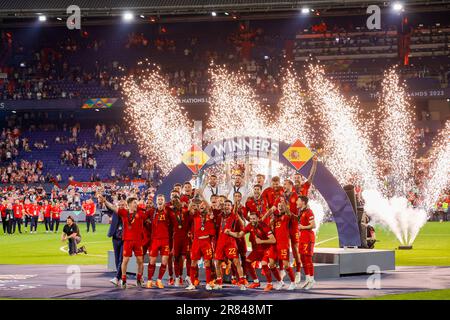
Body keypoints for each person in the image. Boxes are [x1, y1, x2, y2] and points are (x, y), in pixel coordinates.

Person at [99, 194, 147, 289]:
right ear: (129, 204)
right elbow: (113, 207)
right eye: (134, 203)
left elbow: (149, 215)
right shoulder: (124, 212)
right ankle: (123, 280)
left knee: (140, 261)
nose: (136, 204)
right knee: (125, 261)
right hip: (128, 241)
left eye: (136, 203)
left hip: (138, 241)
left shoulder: (140, 213)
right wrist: (105, 201)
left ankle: (139, 278)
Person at [227, 212, 281, 291]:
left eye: (254, 219)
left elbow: (273, 240)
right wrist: (230, 233)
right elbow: (239, 235)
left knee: (264, 264)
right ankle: (256, 282)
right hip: (258, 250)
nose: (252, 220)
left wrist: (261, 241)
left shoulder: (263, 226)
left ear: (258, 219)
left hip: (268, 249)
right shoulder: (249, 226)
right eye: (251, 219)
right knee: (247, 262)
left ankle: (270, 284)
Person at [216, 200, 247, 290]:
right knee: (217, 263)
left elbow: (235, 210)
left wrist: (236, 204)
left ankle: (242, 283)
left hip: (230, 242)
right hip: (220, 242)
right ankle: (219, 283)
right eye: (225, 205)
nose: (226, 206)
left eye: (228, 205)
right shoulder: (220, 216)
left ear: (231, 207)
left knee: (236, 262)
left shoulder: (233, 216)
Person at [186, 200, 216, 290]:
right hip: (196, 241)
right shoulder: (195, 214)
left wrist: (202, 198)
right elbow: (189, 209)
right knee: (193, 262)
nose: (201, 206)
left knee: (207, 262)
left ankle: (208, 283)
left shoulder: (209, 214)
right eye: (200, 205)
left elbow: (208, 206)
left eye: (203, 205)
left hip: (206, 242)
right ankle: (192, 284)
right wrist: (193, 200)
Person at [147, 194, 171, 289]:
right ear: (156, 201)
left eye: (162, 199)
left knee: (164, 261)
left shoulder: (168, 210)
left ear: (164, 201)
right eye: (158, 199)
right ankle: (149, 280)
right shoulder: (151, 211)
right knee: (152, 261)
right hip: (155, 240)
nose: (160, 200)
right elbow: (143, 217)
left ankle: (159, 280)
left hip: (165, 240)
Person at [168, 190, 191, 287]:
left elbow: (191, 209)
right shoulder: (170, 212)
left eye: (177, 200)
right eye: (173, 201)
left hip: (185, 238)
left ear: (180, 201)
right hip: (176, 237)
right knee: (176, 258)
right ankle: (177, 277)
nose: (175, 202)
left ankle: (185, 276)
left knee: (185, 258)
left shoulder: (185, 211)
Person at [297, 195, 316, 290]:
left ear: (303, 202)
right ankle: (307, 279)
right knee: (303, 259)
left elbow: (313, 225)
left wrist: (302, 227)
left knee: (308, 259)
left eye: (298, 200)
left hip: (308, 238)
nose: (296, 202)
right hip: (302, 238)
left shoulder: (309, 212)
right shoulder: (301, 212)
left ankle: (312, 280)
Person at [106, 195, 124, 287]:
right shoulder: (115, 212)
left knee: (122, 258)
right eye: (119, 205)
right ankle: (119, 278)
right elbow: (109, 207)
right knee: (117, 259)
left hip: (124, 239)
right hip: (115, 238)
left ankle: (118, 277)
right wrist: (104, 200)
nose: (121, 206)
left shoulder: (127, 213)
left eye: (123, 205)